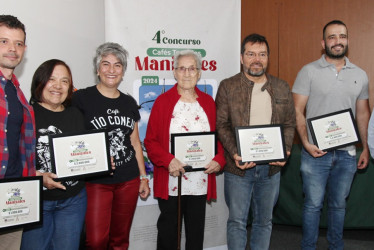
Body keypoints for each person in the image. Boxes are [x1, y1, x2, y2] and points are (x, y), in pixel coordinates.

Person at [292, 20, 370, 250]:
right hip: (315, 153)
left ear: (348, 40)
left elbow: (363, 113)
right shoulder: (308, 71)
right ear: (323, 42)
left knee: (338, 206)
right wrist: (305, 143)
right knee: (313, 205)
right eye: (332, 37)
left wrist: (365, 147)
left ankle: (336, 246)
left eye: (342, 36)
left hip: (347, 154)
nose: (338, 41)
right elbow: (297, 110)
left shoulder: (360, 74)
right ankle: (308, 247)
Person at [215, 33, 296, 250]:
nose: (256, 59)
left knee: (264, 222)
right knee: (237, 222)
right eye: (251, 54)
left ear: (268, 57)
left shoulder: (281, 87)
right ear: (242, 57)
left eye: (261, 54)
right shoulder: (227, 86)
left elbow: (289, 123)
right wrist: (234, 153)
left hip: (271, 169)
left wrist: (286, 149)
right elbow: (221, 124)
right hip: (238, 167)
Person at [144, 50, 226, 250]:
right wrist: (168, 160)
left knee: (195, 234)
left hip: (200, 181)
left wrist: (220, 160)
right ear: (174, 72)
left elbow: (219, 139)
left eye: (192, 69)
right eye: (182, 68)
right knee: (168, 234)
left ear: (199, 73)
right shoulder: (162, 102)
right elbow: (151, 141)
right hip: (172, 179)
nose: (187, 73)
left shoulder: (208, 103)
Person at [72, 42, 150, 250]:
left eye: (117, 65)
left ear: (123, 71)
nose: (111, 70)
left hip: (128, 179)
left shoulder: (128, 102)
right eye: (105, 64)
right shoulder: (81, 98)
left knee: (120, 239)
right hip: (97, 181)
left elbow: (134, 142)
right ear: (98, 70)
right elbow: (73, 139)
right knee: (96, 240)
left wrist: (143, 176)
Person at [20, 59, 87, 250]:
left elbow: (83, 152)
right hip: (37, 202)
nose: (58, 86)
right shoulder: (27, 114)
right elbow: (16, 158)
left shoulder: (76, 114)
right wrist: (38, 176)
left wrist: (101, 161)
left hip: (73, 200)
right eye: (52, 79)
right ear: (40, 82)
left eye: (65, 81)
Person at [0, 15, 36, 250]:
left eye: (19, 43)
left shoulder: (18, 92)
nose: (12, 49)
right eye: (4, 41)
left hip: (14, 195)